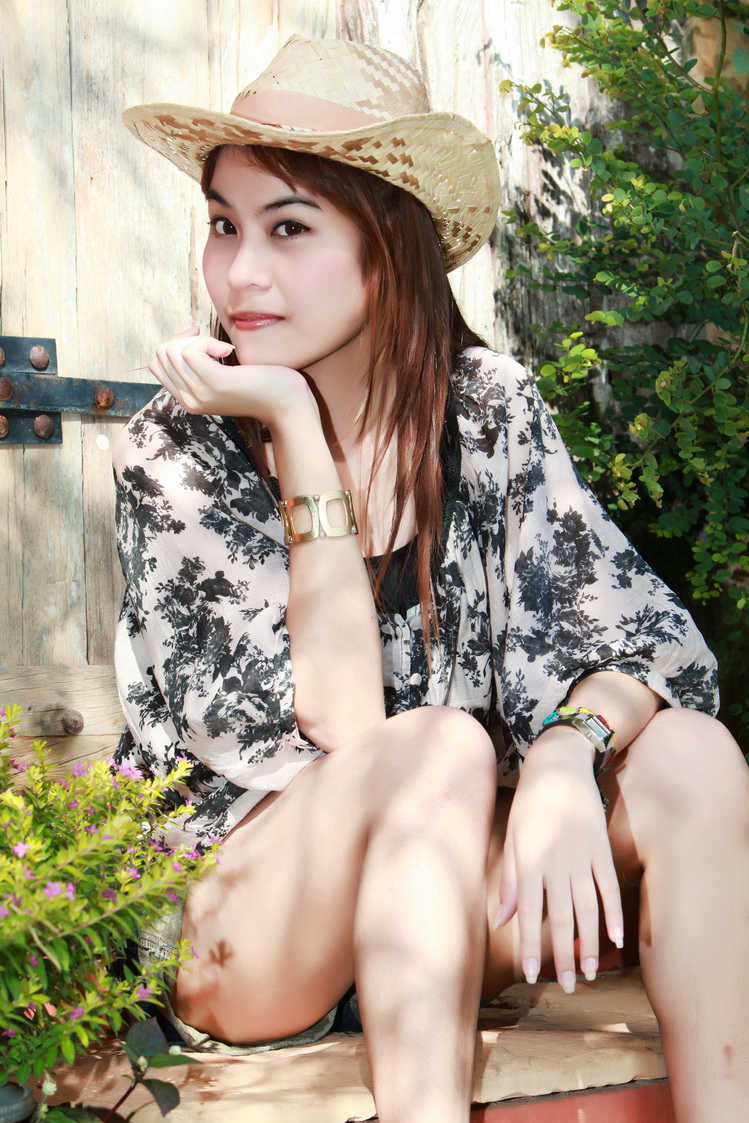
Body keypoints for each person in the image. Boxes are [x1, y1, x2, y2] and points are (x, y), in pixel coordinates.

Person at [114, 35, 749, 1123]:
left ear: (388, 241)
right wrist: (293, 427)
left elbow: (651, 642)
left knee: (690, 756)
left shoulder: (485, 409)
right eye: (224, 224)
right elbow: (345, 728)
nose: (240, 271)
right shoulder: (175, 447)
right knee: (441, 745)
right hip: (243, 939)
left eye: (288, 227)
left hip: (434, 907)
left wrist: (564, 751)